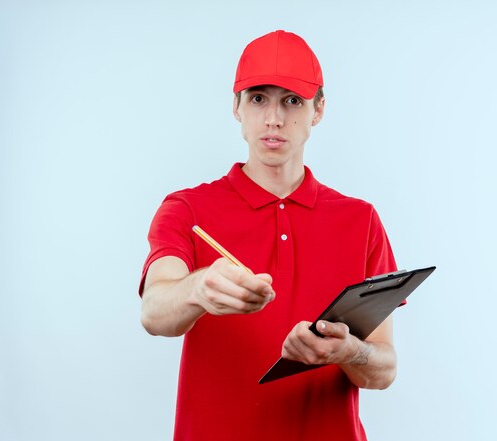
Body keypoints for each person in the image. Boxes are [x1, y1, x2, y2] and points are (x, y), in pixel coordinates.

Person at [139, 30, 399, 441]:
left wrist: (350, 352)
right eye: (258, 98)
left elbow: (383, 370)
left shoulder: (361, 219)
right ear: (236, 107)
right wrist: (198, 289)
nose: (274, 118)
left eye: (292, 101)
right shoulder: (187, 209)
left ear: (318, 110)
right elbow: (153, 312)